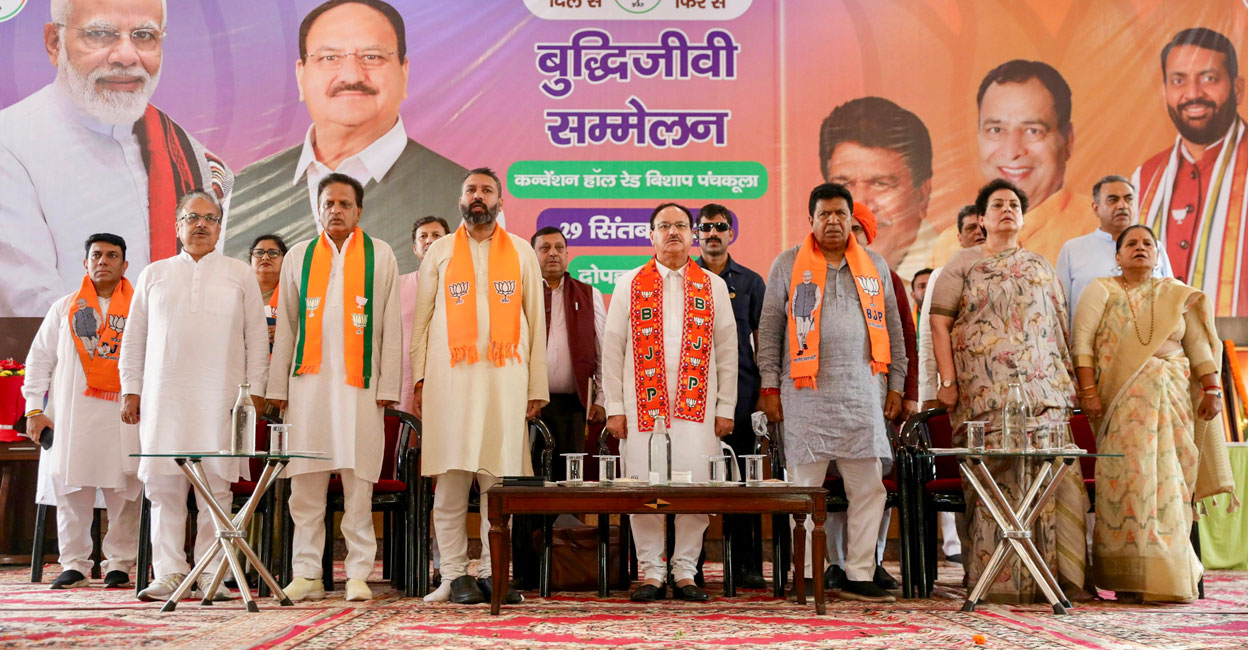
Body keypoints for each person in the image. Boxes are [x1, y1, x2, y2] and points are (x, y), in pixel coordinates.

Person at [0, 0, 233, 318]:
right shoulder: (10, 144)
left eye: (144, 35)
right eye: (99, 33)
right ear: (55, 43)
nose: (126, 56)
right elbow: (32, 308)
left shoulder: (195, 161)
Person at [927, 179, 1089, 603]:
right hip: (984, 397)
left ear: (1023, 215)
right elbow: (940, 323)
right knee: (993, 483)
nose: (1006, 210)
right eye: (996, 204)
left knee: (1046, 484)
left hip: (1041, 398)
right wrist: (946, 382)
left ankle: (1050, 583)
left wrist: (1066, 386)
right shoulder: (961, 264)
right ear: (981, 217)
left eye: (1013, 204)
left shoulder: (1040, 265)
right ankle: (995, 584)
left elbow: (1059, 330)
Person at [224, 0, 466, 273]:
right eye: (330, 57)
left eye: (372, 57)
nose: (351, 74)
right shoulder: (244, 189)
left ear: (404, 71)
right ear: (301, 75)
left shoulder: (465, 194)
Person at [757, 183, 907, 603]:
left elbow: (893, 331)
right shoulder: (788, 264)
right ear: (811, 221)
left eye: (841, 214)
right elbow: (769, 329)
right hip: (805, 395)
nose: (834, 222)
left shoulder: (874, 265)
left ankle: (860, 571)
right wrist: (769, 386)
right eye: (824, 214)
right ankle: (807, 572)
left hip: (862, 395)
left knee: (869, 487)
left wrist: (896, 385)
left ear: (852, 219)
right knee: (804, 489)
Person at [118, 190, 269, 602]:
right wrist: (131, 389)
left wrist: (253, 394)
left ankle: (211, 574)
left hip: (222, 398)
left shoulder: (239, 274)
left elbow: (256, 338)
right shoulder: (154, 274)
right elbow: (134, 340)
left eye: (210, 218)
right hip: (164, 397)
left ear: (221, 227)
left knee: (215, 489)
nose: (201, 224)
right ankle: (168, 572)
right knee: (164, 487)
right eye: (192, 217)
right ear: (177, 226)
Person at [1072, 224, 1235, 603]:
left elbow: (1198, 346)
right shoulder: (1102, 289)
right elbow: (1081, 343)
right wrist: (1089, 392)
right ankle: (1128, 579)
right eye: (1131, 243)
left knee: (1171, 484)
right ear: (1117, 256)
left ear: (1158, 255)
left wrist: (1212, 389)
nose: (1140, 248)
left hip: (1174, 398)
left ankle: (1169, 576)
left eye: (1148, 243)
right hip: (1121, 403)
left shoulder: (1175, 295)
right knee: (1130, 481)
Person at [410, 168, 546, 605]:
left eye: (487, 190)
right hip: (450, 383)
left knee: (497, 485)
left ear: (500, 202)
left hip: (505, 383)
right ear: (461, 199)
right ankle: (453, 575)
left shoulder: (523, 252)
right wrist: (420, 378)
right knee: (450, 483)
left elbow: (535, 322)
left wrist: (535, 386)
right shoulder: (441, 251)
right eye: (471, 189)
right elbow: (424, 320)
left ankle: (491, 573)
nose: (478, 196)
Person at [264, 173, 401, 602]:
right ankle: (307, 573)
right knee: (305, 484)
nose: (336, 211)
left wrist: (388, 383)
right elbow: (286, 326)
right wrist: (277, 389)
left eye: (345, 203)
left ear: (359, 210)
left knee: (359, 483)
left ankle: (359, 572)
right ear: (317, 209)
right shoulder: (299, 257)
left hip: (360, 388)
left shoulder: (380, 255)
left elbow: (391, 326)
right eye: (328, 203)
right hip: (307, 389)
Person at [603, 203, 737, 603]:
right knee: (645, 491)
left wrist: (725, 407)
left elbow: (727, 351)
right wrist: (614, 407)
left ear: (692, 234)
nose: (674, 232)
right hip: (643, 412)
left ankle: (685, 572)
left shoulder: (712, 285)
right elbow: (612, 351)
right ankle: (652, 571)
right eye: (665, 226)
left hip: (698, 413)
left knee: (694, 491)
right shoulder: (629, 283)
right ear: (652, 235)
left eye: (681, 225)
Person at [22, 233, 141, 590]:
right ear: (85, 263)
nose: (103, 261)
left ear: (125, 264)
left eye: (111, 255)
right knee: (72, 489)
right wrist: (33, 410)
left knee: (126, 489)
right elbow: (39, 360)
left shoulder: (140, 308)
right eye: (96, 255)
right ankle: (74, 563)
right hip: (72, 413)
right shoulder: (65, 307)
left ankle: (120, 562)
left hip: (125, 414)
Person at [510, 225, 606, 590]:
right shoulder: (520, 292)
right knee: (526, 487)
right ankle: (525, 572)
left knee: (568, 487)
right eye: (545, 247)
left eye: (559, 247)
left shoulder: (587, 293)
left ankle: (565, 569)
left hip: (572, 407)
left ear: (568, 254)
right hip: (526, 409)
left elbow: (602, 353)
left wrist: (600, 401)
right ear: (532, 254)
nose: (552, 253)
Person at [928, 60, 1097, 267]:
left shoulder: (1099, 232)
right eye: (996, 130)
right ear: (978, 136)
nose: (1012, 151)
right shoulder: (949, 246)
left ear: (1068, 140)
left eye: (1033, 130)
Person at [1134, 28, 1248, 316]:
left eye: (1209, 78)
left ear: (1237, 89)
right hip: (1161, 353)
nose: (1193, 94)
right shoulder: (1144, 179)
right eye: (1179, 80)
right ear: (1165, 92)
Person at [694, 203, 767, 589]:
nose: (712, 234)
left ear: (731, 234)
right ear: (696, 234)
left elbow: (766, 344)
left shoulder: (752, 282)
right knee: (691, 484)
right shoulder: (683, 278)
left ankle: (746, 566)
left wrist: (766, 394)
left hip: (740, 396)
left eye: (720, 227)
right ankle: (692, 567)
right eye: (705, 228)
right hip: (691, 400)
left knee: (744, 487)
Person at [820, 97, 934, 278]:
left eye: (880, 184)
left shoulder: (955, 277)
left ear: (922, 197)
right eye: (844, 185)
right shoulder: (805, 277)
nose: (859, 205)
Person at [1056, 176, 1173, 325]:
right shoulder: (1073, 250)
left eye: (1128, 199)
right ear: (1096, 208)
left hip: (1149, 342)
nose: (1122, 205)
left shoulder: (1153, 247)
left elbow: (1171, 298)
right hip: (1090, 344)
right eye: (1113, 200)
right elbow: (1060, 307)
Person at [399, 216, 449, 414]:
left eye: (437, 235)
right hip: (408, 379)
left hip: (449, 376)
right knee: (406, 440)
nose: (429, 240)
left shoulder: (463, 288)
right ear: (414, 248)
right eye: (423, 236)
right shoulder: (397, 285)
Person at [249, 234, 288, 352]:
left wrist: (284, 335)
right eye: (259, 253)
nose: (265, 257)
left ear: (284, 260)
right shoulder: (237, 294)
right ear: (250, 260)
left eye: (273, 253)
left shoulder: (295, 294)